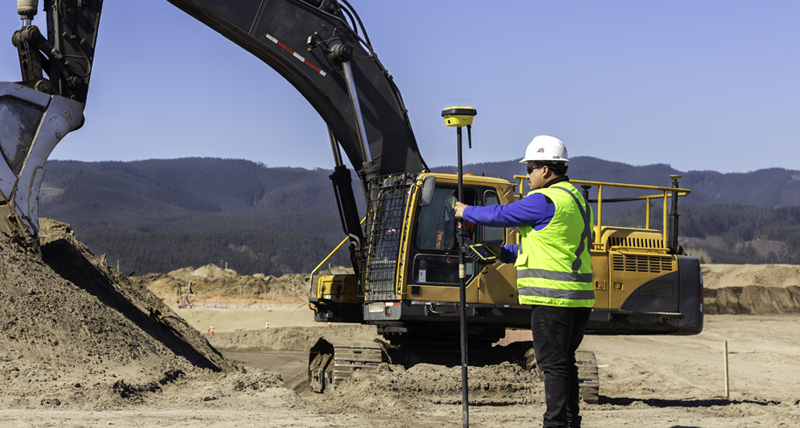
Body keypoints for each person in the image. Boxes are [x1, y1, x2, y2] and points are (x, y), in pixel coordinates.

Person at [454, 135, 594, 428]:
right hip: (577, 299)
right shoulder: (575, 198)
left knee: (552, 366)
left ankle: (554, 424)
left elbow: (503, 214)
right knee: (565, 362)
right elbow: (550, 246)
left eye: (530, 169)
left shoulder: (544, 200)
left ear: (546, 169)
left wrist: (465, 211)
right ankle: (570, 422)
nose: (527, 175)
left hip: (551, 299)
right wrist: (504, 253)